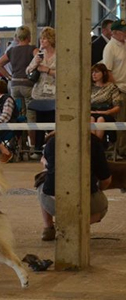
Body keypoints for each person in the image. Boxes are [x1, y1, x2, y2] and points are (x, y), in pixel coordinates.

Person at [36, 133, 111, 241]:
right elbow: (106, 180)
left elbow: (49, 167)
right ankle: (77, 225)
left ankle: (49, 227)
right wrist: (98, 190)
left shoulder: (52, 142)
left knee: (41, 179)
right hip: (88, 201)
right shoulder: (94, 142)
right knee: (102, 207)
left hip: (55, 201)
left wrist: (45, 162)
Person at [25, 27, 56, 159]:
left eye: (44, 38)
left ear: (50, 40)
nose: (41, 41)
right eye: (41, 38)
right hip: (39, 92)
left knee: (53, 120)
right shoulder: (39, 55)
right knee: (39, 121)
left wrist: (47, 70)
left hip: (54, 93)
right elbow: (28, 71)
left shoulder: (59, 55)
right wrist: (35, 64)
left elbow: (64, 73)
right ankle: (37, 148)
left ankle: (53, 146)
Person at [0, 26, 38, 114]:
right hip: (28, 84)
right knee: (31, 111)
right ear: (29, 37)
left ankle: (19, 127)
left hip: (14, 84)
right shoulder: (32, 49)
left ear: (17, 37)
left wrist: (8, 77)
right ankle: (31, 127)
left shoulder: (11, 50)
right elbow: (40, 58)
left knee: (18, 112)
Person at [102, 19, 126, 158]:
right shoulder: (110, 48)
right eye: (124, 31)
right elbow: (108, 71)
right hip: (119, 89)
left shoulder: (124, 45)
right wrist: (115, 89)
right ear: (115, 33)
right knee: (121, 121)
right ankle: (121, 150)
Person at [90, 63, 121, 140]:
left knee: (100, 119)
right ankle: (92, 145)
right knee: (91, 119)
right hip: (91, 112)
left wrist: (107, 112)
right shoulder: (88, 87)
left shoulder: (111, 87)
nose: (94, 74)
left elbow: (117, 106)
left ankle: (98, 144)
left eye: (96, 72)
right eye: (92, 72)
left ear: (103, 73)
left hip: (106, 112)